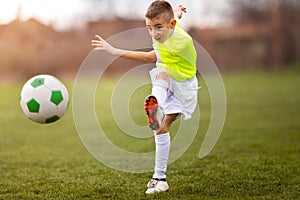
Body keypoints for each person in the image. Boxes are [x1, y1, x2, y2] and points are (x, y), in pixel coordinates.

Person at [91, 0, 198, 194]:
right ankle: (160, 178)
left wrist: (115, 51)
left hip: (184, 87)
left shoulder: (180, 43)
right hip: (168, 75)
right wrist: (177, 11)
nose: (154, 33)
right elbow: (173, 18)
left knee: (164, 121)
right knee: (161, 79)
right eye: (149, 28)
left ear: (170, 25)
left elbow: (150, 57)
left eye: (157, 27)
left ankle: (159, 177)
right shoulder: (168, 27)